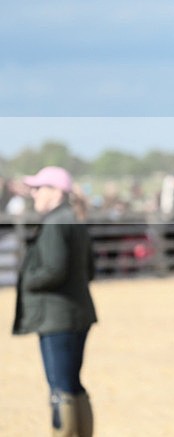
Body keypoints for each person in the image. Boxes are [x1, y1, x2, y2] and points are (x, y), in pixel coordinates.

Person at [12, 166, 97, 436]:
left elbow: (53, 270)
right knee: (72, 384)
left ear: (55, 192)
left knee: (60, 389)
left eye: (38, 188)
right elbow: (90, 269)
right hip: (76, 313)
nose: (34, 193)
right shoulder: (73, 218)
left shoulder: (54, 222)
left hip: (56, 316)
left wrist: (26, 279)